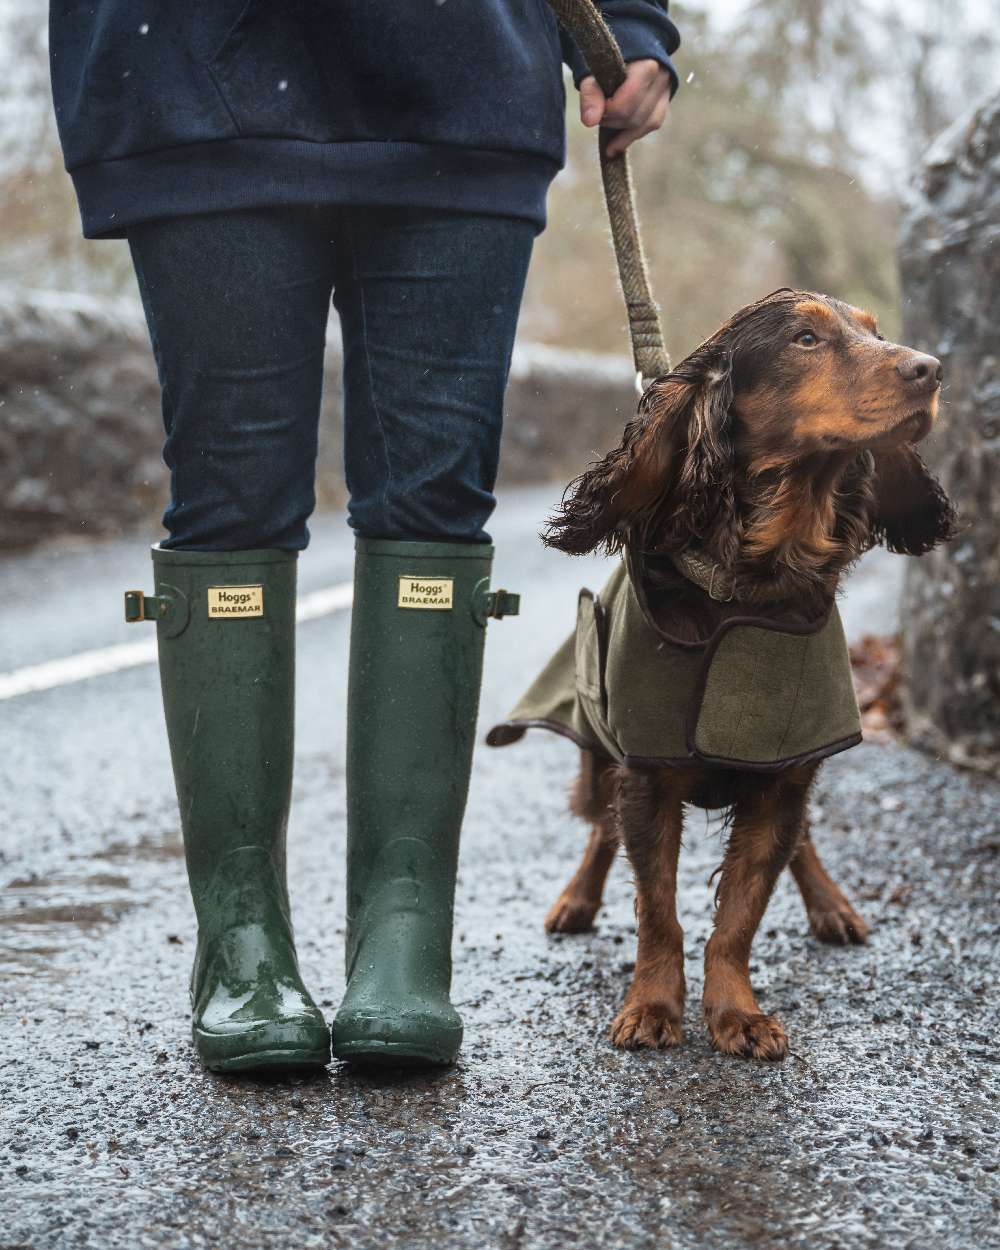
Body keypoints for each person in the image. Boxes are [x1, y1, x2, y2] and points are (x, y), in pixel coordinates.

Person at [48, 0, 680, 1072]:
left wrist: (627, 23)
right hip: (192, 74)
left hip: (460, 86)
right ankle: (241, 946)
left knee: (436, 505)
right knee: (228, 508)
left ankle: (404, 940)